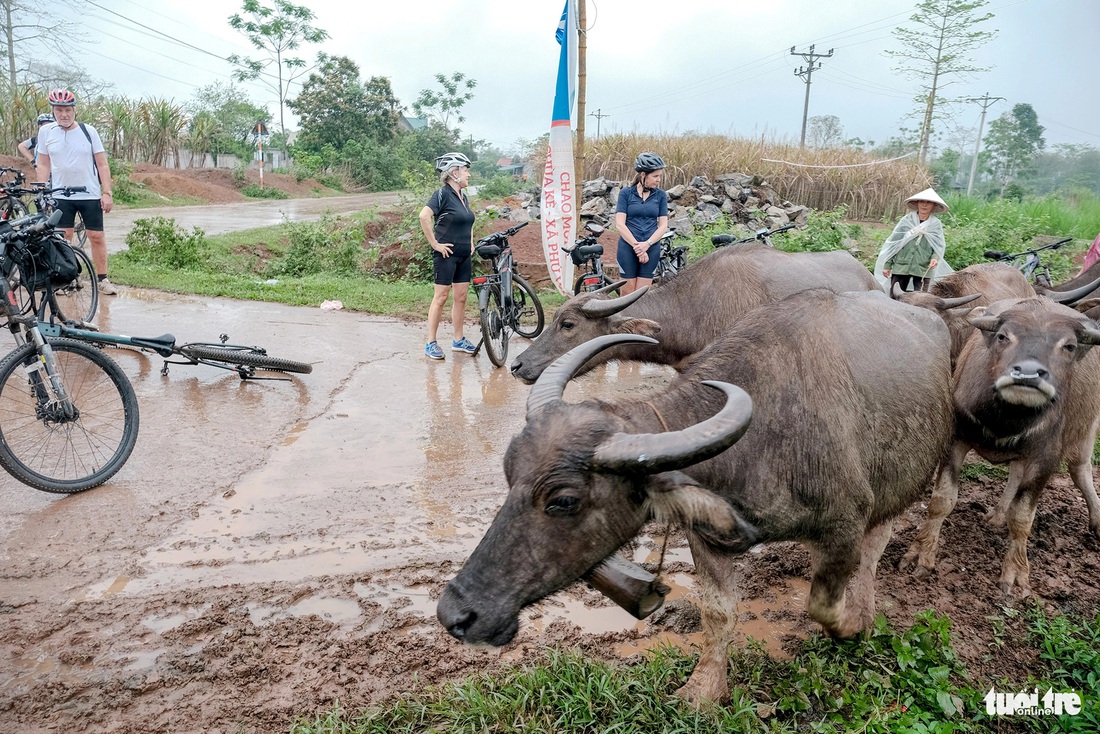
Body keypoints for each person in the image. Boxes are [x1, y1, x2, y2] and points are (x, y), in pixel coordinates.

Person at [35, 89, 118, 295]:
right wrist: (42, 188)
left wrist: (106, 192)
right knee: (64, 238)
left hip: (89, 193)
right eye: (59, 110)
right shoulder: (46, 132)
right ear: (53, 111)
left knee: (96, 235)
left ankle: (103, 279)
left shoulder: (88, 131)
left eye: (68, 110)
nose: (64, 114)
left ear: (75, 110)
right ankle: (69, 278)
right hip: (60, 194)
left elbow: (102, 164)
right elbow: (43, 163)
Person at [419, 152, 477, 360]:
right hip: (446, 255)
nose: (468, 174)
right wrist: (435, 244)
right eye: (465, 170)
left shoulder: (464, 197)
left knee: (461, 298)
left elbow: (468, 221)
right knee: (441, 297)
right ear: (454, 173)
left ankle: (458, 340)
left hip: (463, 256)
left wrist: (470, 242)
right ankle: (430, 343)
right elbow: (424, 216)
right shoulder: (441, 195)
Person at [875, 187, 953, 295]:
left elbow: (938, 245)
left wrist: (935, 258)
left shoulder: (935, 224)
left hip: (923, 267)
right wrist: (887, 265)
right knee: (896, 295)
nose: (924, 205)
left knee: (920, 298)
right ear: (917, 203)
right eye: (922, 201)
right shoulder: (906, 221)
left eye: (928, 202)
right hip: (901, 265)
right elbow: (894, 243)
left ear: (933, 205)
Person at [615, 152, 669, 295]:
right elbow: (620, 224)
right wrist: (637, 247)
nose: (658, 180)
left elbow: (663, 226)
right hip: (628, 247)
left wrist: (647, 244)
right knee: (627, 295)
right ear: (643, 175)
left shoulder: (661, 196)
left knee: (641, 296)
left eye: (660, 176)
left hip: (651, 247)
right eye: (655, 176)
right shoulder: (626, 194)